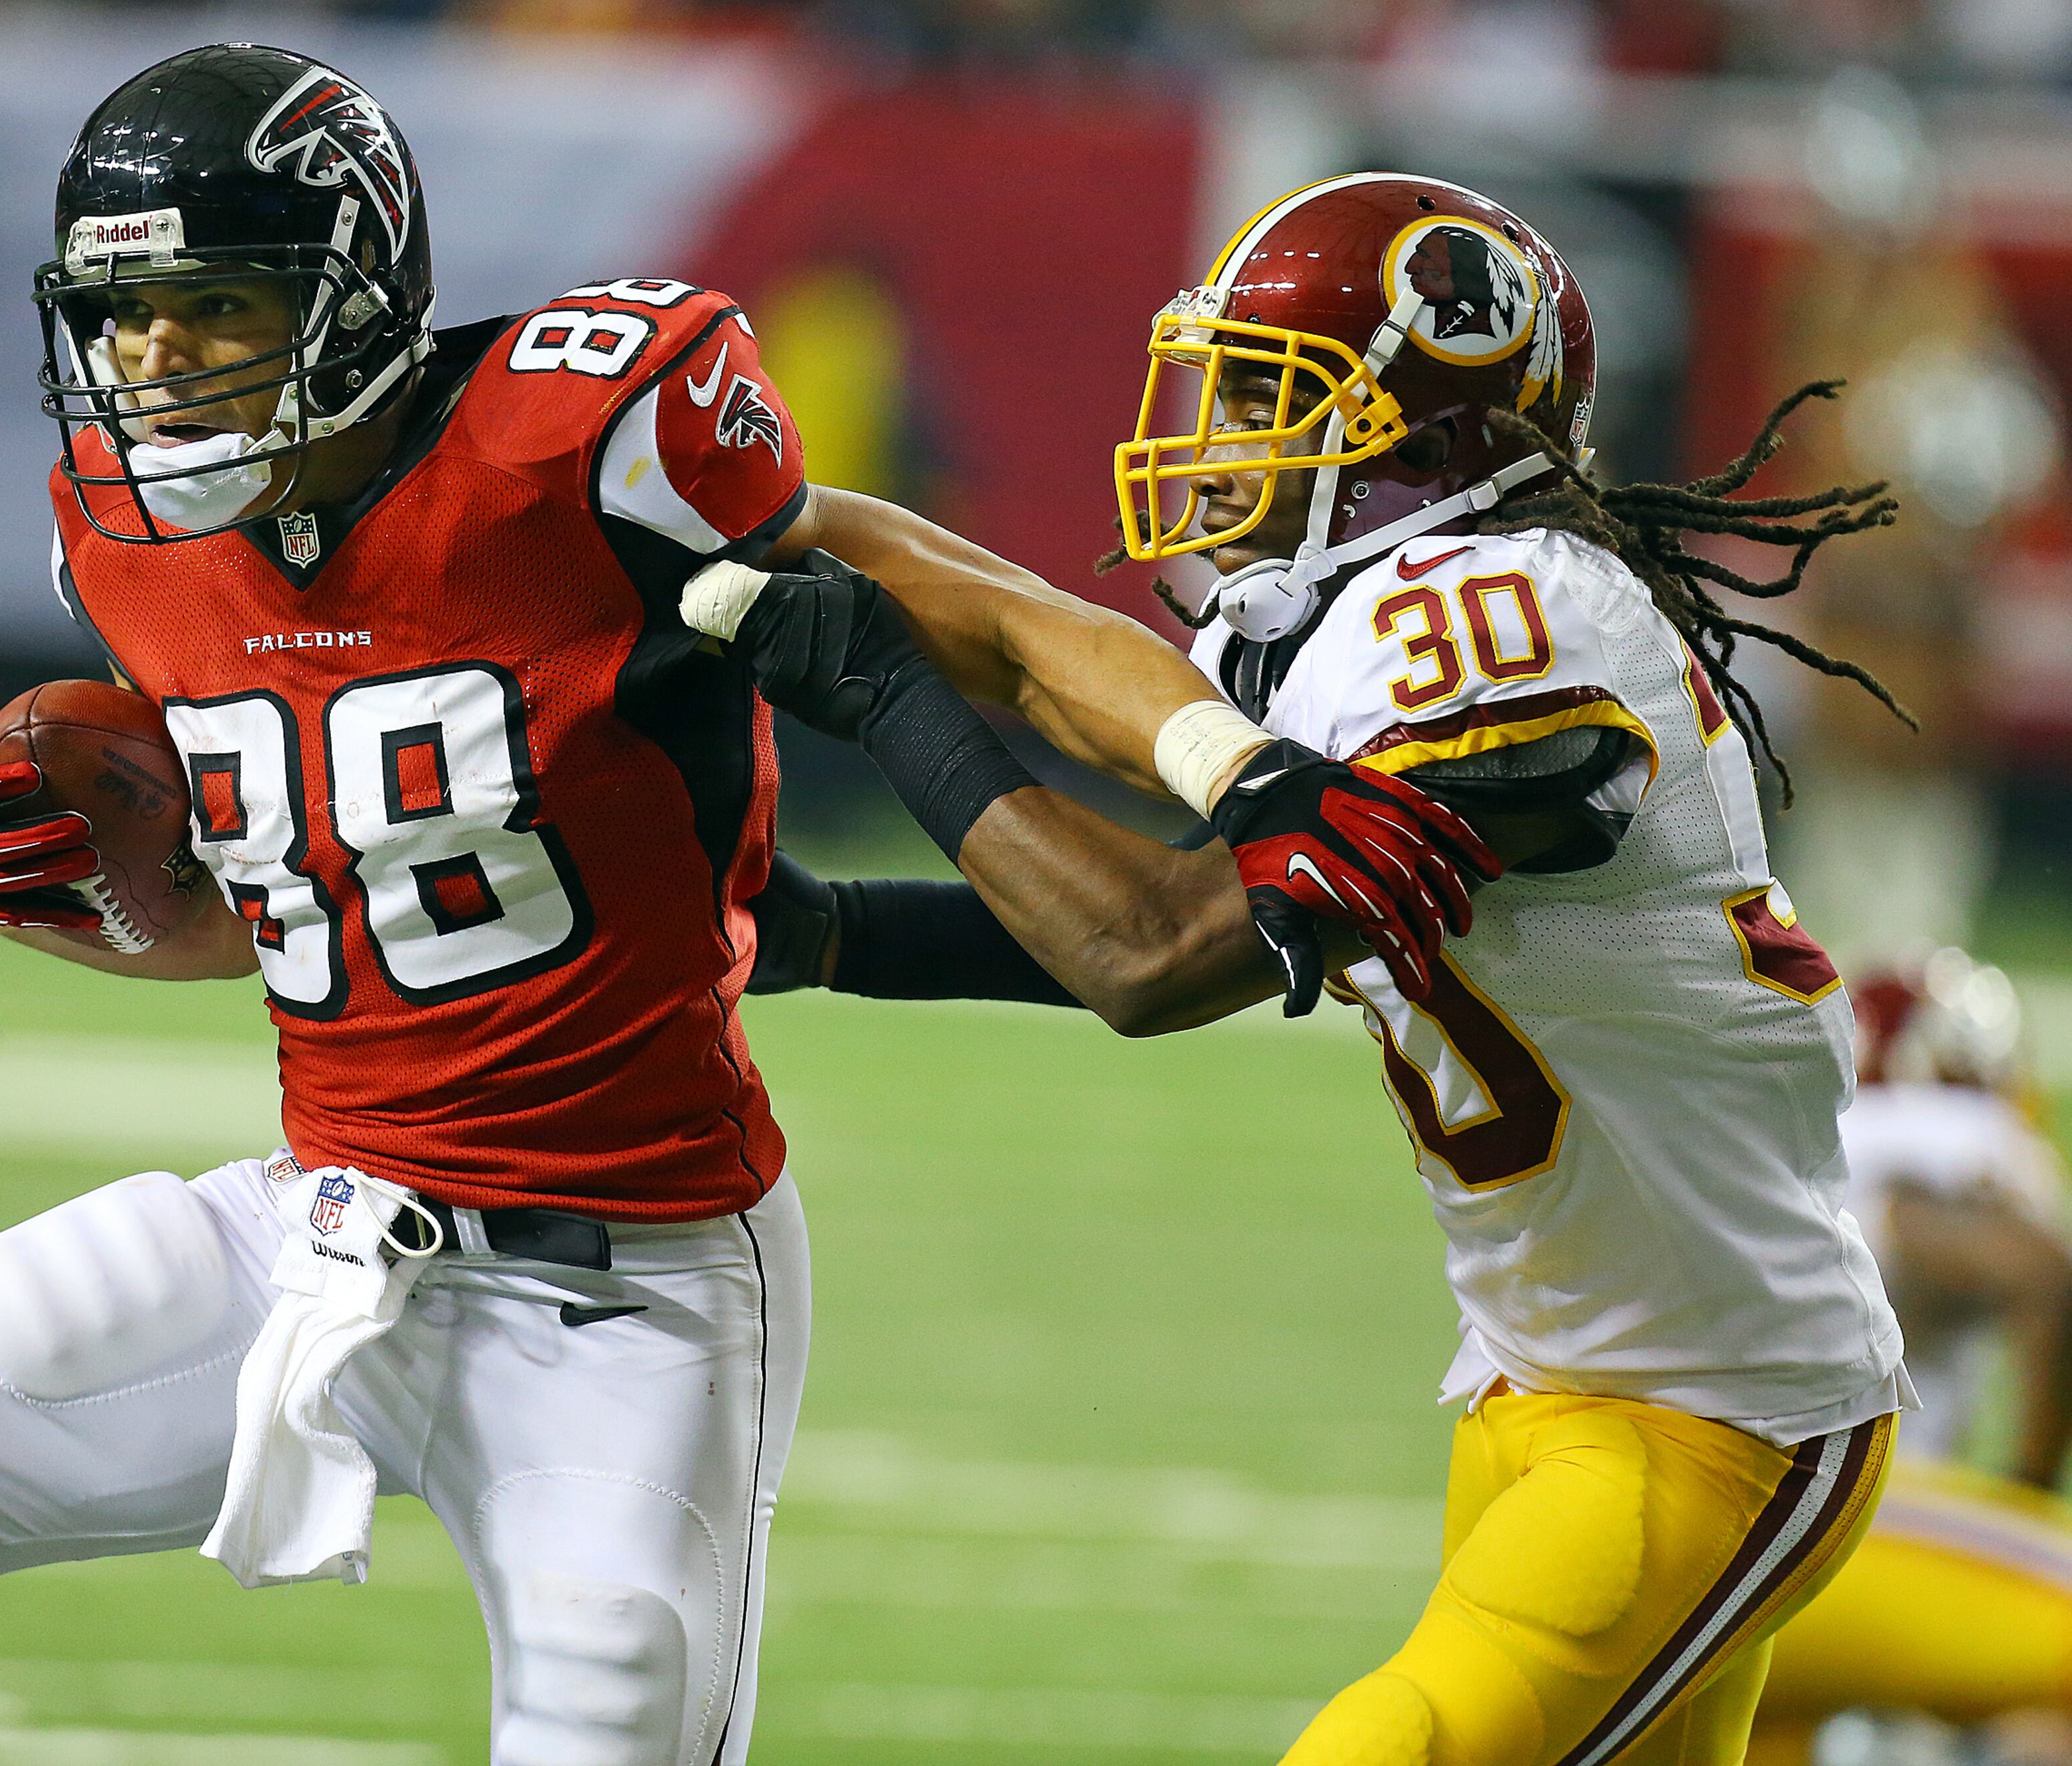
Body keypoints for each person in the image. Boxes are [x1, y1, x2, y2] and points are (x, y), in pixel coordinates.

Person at [0, 50, 1486, 1766]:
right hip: (324, 1220)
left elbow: (978, 612)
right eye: (122, 314)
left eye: (215, 302)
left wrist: (1231, 765)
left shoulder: (588, 430)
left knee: (610, 1699)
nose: (157, 359)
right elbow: (301, 905)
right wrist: (41, 888)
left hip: (630, 1281)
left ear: (350, 285)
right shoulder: (118, 528)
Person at [703, 172, 1918, 1764]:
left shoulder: (1514, 617)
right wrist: (744, 529)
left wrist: (873, 688)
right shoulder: (1366, 620)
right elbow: (1023, 647)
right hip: (1544, 1385)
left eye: (1276, 401)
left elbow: (1154, 949)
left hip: (1716, 1412)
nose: (1226, 437)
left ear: (1421, 436)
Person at [1748, 953, 2072, 1766]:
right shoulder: (1956, 1140)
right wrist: (2024, 1490)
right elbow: (2041, 1278)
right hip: (1846, 1526)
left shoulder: (1781, 1134)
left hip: (1709, 1532)